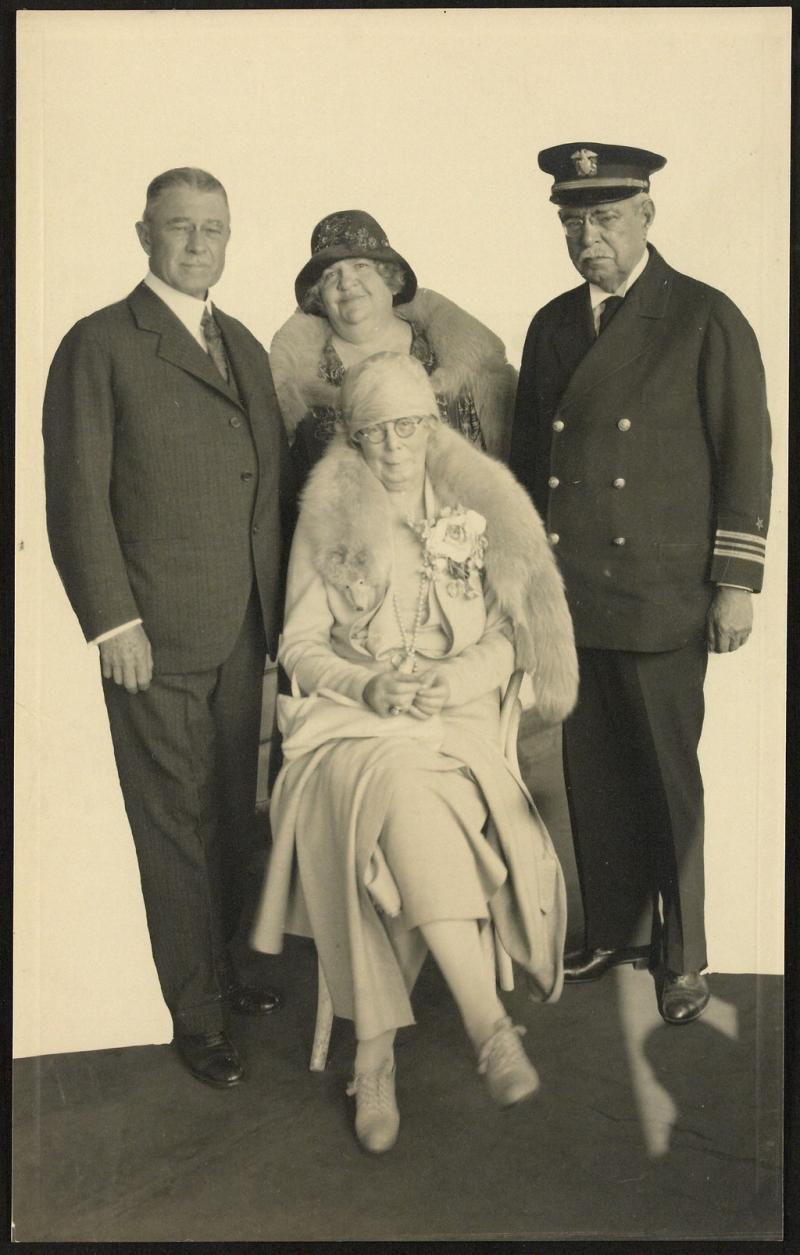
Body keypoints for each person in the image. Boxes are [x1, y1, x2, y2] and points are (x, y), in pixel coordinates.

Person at [251, 351, 578, 1153]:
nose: (394, 445)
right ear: (354, 439)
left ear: (432, 426)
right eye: (375, 432)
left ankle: (374, 1055)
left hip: (456, 725)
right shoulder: (329, 511)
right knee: (398, 780)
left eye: (408, 426)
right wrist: (367, 686)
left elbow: (510, 637)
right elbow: (297, 643)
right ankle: (488, 1027)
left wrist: (454, 673)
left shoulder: (477, 507)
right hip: (349, 728)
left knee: (408, 798)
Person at [43, 167, 296, 1087]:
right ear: (142, 233)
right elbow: (76, 499)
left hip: (245, 628)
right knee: (173, 823)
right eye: (181, 228)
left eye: (215, 229)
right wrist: (114, 622)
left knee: (234, 807)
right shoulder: (101, 343)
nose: (200, 244)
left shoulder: (244, 344)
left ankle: (229, 967)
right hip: (153, 632)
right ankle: (196, 1014)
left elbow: (265, 489)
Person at [509, 143, 772, 1025]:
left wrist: (735, 582)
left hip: (662, 592)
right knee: (593, 772)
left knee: (667, 780)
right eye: (574, 222)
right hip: (574, 593)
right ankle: (618, 931)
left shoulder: (702, 315)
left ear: (648, 216)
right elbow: (525, 463)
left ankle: (684, 954)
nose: (591, 237)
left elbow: (747, 454)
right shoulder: (550, 324)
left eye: (607, 218)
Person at [269, 209, 517, 488]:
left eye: (361, 266)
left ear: (391, 279)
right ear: (319, 298)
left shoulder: (459, 364)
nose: (347, 282)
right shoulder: (297, 386)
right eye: (330, 275)